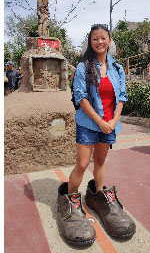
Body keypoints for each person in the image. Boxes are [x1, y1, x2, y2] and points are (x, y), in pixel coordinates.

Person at [60, 24, 135, 247]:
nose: (99, 42)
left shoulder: (118, 69)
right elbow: (81, 98)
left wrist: (112, 122)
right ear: (90, 43)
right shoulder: (84, 68)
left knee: (100, 162)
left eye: (103, 38)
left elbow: (121, 97)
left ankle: (96, 197)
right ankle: (70, 202)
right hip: (89, 123)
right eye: (95, 39)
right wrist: (100, 121)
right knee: (82, 164)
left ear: (109, 41)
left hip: (109, 124)